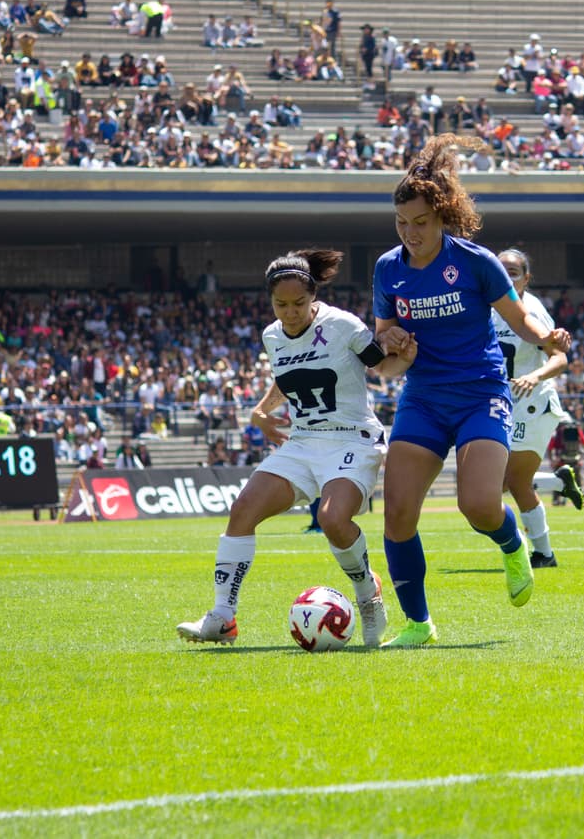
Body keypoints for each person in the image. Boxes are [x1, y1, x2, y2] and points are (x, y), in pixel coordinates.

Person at [373, 134, 572, 648]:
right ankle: (418, 624)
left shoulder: (477, 261)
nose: (410, 233)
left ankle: (513, 544)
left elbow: (521, 319)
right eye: (401, 223)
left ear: (442, 216)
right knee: (397, 514)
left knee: (480, 505)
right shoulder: (388, 269)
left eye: (420, 222)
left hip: (481, 393)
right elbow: (384, 342)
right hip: (422, 397)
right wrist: (390, 342)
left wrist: (547, 338)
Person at [177, 249, 416, 648]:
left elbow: (379, 365)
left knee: (332, 518)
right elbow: (288, 378)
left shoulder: (342, 325)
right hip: (303, 442)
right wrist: (261, 411)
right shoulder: (272, 336)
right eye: (281, 305)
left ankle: (367, 592)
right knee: (242, 510)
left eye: (298, 304)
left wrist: (403, 358)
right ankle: (222, 618)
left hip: (352, 438)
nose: (290, 313)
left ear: (313, 297)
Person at [492, 248, 584, 571]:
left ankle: (543, 553)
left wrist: (534, 376)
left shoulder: (532, 310)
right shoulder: (486, 306)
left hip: (533, 403)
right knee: (495, 485)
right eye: (500, 270)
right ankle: (558, 482)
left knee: (513, 483)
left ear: (526, 279)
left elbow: (560, 358)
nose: (506, 277)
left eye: (513, 272)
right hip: (502, 403)